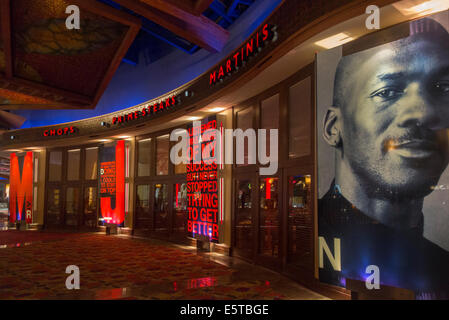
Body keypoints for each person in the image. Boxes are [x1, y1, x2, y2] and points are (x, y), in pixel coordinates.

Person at [319, 17, 449, 299]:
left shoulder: (441, 267)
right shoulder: (307, 243)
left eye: (443, 88)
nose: (425, 112)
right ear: (333, 128)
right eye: (388, 91)